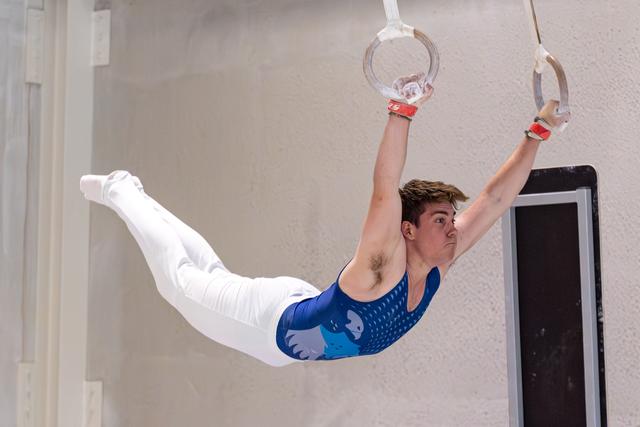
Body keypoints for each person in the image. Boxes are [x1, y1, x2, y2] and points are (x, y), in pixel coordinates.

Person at [80, 75, 569, 366]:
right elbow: (385, 187)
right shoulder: (384, 263)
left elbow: (495, 198)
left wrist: (538, 132)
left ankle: (134, 194)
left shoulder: (437, 264)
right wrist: (401, 113)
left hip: (288, 336)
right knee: (181, 283)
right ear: (407, 229)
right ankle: (124, 190)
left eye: (451, 220)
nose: (453, 228)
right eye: (440, 220)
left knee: (203, 277)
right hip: (266, 319)